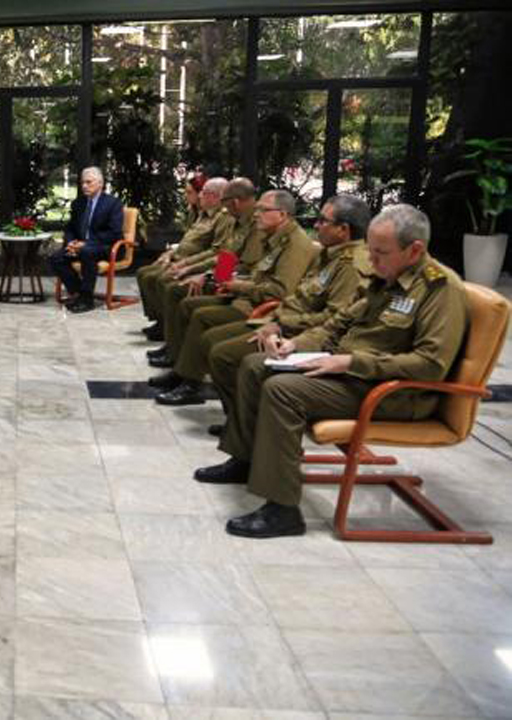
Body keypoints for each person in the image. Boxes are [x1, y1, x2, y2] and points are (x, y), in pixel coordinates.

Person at [195, 205, 468, 538]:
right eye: (369, 248)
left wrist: (351, 362)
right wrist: (295, 345)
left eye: (381, 252)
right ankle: (246, 460)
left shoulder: (439, 289)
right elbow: (337, 324)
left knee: (282, 390)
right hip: (353, 374)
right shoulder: (386, 278)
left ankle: (283, 510)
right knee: (256, 364)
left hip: (396, 392)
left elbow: (430, 365)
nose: (372, 258)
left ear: (415, 250)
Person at [205, 194, 372, 434]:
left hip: (279, 322)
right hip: (272, 315)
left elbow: (325, 315)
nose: (257, 214)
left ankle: (242, 424)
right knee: (208, 333)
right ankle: (241, 422)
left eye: (322, 220)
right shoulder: (324, 253)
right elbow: (229, 258)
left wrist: (278, 324)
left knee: (219, 346)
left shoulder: (343, 262)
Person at [150, 189, 315, 406]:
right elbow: (225, 255)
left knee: (190, 305)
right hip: (234, 286)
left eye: (262, 210)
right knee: (175, 291)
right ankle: (179, 363)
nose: (257, 214)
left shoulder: (263, 231)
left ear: (234, 201)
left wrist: (224, 281)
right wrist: (201, 271)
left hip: (255, 302)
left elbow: (249, 268)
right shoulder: (238, 223)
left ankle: (188, 376)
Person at [141, 177, 233, 346]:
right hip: (219, 276)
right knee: (156, 278)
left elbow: (225, 257)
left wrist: (203, 274)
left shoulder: (231, 220)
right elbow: (226, 256)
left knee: (171, 287)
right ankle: (171, 340)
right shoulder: (237, 223)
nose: (199, 197)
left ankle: (175, 346)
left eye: (229, 200)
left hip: (232, 287)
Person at [136, 173, 206, 337]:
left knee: (164, 281)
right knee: (145, 272)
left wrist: (201, 271)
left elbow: (222, 255)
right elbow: (189, 241)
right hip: (196, 264)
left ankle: (170, 331)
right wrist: (171, 253)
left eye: (190, 192)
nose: (186, 196)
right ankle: (162, 322)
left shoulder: (224, 218)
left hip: (207, 270)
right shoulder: (198, 214)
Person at [48, 166, 125, 313]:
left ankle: (87, 300)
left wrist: (86, 243)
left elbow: (114, 233)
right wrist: (70, 242)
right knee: (55, 258)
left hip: (106, 247)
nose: (84, 186)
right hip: (82, 246)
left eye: (89, 182)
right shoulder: (79, 203)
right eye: (83, 182)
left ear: (100, 184)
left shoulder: (113, 203)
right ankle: (80, 293)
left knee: (86, 252)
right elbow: (70, 228)